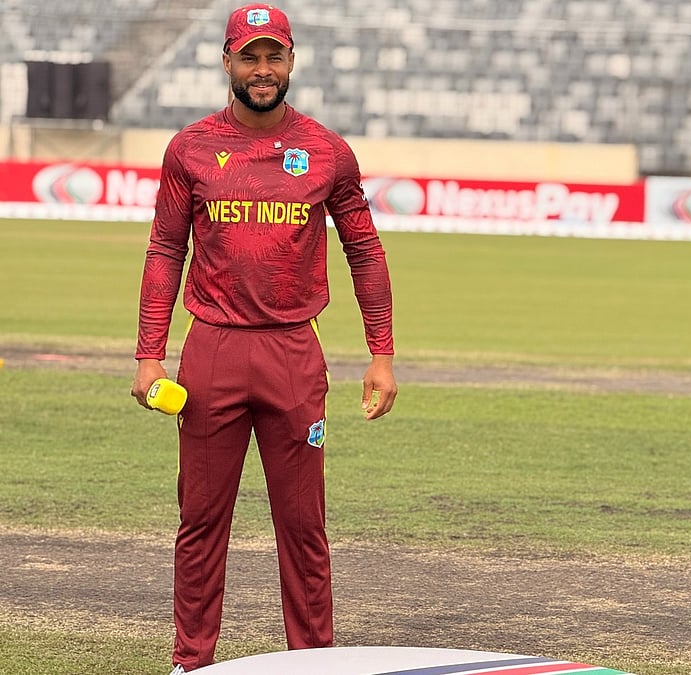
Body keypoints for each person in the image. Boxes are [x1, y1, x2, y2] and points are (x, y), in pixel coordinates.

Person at [129, 4, 398, 672]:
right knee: (200, 523)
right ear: (226, 62)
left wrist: (382, 354)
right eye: (249, 56)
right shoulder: (189, 148)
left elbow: (364, 249)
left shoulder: (328, 151)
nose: (262, 70)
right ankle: (190, 662)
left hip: (292, 353)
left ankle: (313, 663)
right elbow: (165, 248)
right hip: (212, 350)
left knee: (304, 528)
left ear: (292, 61)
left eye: (273, 56)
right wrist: (148, 353)